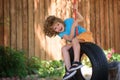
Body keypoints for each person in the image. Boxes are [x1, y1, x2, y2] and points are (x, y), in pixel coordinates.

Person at [44, 8, 94, 80]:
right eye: (55, 28)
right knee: (64, 48)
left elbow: (81, 19)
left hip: (85, 36)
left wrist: (77, 12)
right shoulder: (61, 34)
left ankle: (76, 62)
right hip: (76, 41)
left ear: (60, 21)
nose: (58, 28)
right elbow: (70, 38)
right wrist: (73, 27)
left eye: (58, 24)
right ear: (54, 31)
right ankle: (69, 70)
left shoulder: (69, 21)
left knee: (74, 40)